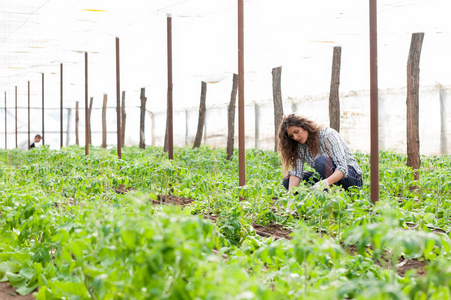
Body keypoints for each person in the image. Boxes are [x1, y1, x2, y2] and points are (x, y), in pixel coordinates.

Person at [278, 114, 363, 192]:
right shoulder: (300, 145)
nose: (295, 137)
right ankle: (316, 194)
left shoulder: (328, 135)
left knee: (321, 162)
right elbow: (296, 172)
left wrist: (324, 183)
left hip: (351, 179)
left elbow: (342, 169)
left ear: (304, 126)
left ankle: (333, 194)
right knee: (288, 181)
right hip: (328, 178)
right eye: (291, 136)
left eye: (296, 132)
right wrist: (290, 195)